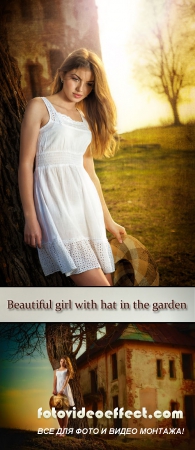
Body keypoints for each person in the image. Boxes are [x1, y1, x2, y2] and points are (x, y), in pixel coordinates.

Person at [18, 48, 126, 286]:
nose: (80, 89)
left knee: (107, 287)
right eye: (75, 79)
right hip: (55, 205)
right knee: (103, 293)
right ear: (62, 75)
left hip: (86, 208)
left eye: (89, 84)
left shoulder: (85, 120)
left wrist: (108, 221)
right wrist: (30, 218)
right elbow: (26, 164)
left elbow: (91, 175)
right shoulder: (39, 106)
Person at [53, 356, 74, 435]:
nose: (62, 363)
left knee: (64, 410)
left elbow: (66, 380)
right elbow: (54, 380)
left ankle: (63, 431)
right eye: (61, 361)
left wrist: (62, 389)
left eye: (64, 362)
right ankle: (61, 428)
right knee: (57, 410)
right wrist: (54, 389)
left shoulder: (67, 370)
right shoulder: (56, 371)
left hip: (64, 390)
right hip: (58, 390)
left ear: (66, 363)